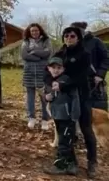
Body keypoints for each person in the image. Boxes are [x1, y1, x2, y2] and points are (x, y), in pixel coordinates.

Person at [47, 26, 98, 178]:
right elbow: (48, 71)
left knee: (86, 128)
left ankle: (92, 162)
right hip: (62, 99)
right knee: (64, 129)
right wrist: (50, 87)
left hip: (81, 96)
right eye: (66, 35)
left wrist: (62, 84)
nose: (69, 38)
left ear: (78, 38)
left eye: (72, 36)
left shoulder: (84, 55)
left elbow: (82, 77)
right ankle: (69, 162)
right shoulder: (60, 53)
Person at [43, 57, 80, 176]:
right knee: (66, 140)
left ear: (63, 69)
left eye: (59, 68)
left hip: (67, 116)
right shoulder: (49, 82)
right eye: (53, 67)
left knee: (63, 142)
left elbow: (75, 98)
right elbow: (47, 95)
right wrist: (46, 97)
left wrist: (74, 116)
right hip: (57, 116)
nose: (56, 70)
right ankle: (72, 165)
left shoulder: (66, 81)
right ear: (49, 68)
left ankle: (60, 166)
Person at [71, 21, 109, 110]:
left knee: (98, 111)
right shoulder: (71, 43)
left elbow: (106, 58)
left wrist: (100, 74)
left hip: (94, 81)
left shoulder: (96, 41)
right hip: (77, 82)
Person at [20, 23, 51, 130]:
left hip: (43, 71)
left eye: (36, 30)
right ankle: (31, 118)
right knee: (30, 97)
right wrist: (38, 57)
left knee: (44, 97)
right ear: (29, 32)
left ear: (40, 31)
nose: (34, 32)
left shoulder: (46, 40)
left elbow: (47, 53)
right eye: (32, 31)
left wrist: (33, 51)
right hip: (29, 72)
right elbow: (24, 55)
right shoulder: (26, 41)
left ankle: (45, 119)